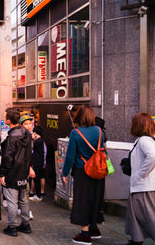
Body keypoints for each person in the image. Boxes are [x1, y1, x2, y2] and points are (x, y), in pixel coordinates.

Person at [62, 105, 105, 245]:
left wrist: (65, 172)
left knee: (82, 201)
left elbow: (70, 156)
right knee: (95, 199)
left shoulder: (76, 133)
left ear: (79, 117)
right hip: (98, 172)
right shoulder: (99, 131)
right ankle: (94, 229)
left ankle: (85, 234)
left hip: (83, 171)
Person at [0, 108, 32, 237]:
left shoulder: (12, 137)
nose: (4, 118)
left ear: (8, 120)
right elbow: (29, 153)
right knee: (23, 199)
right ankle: (25, 224)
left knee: (12, 201)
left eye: (5, 116)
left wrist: (2, 173)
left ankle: (12, 226)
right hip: (24, 171)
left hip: (12, 172)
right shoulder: (26, 134)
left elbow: (7, 157)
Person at [125, 113, 155, 245]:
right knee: (137, 216)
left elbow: (153, 156)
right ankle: (136, 240)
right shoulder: (147, 140)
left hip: (144, 186)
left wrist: (139, 174)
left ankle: (136, 240)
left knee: (149, 218)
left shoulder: (144, 140)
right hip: (142, 186)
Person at [30, 125, 47, 201]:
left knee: (36, 179)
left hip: (37, 163)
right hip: (40, 163)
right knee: (38, 178)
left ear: (35, 133)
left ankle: (38, 195)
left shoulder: (38, 141)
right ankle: (38, 194)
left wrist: (32, 139)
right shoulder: (41, 141)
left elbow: (31, 147)